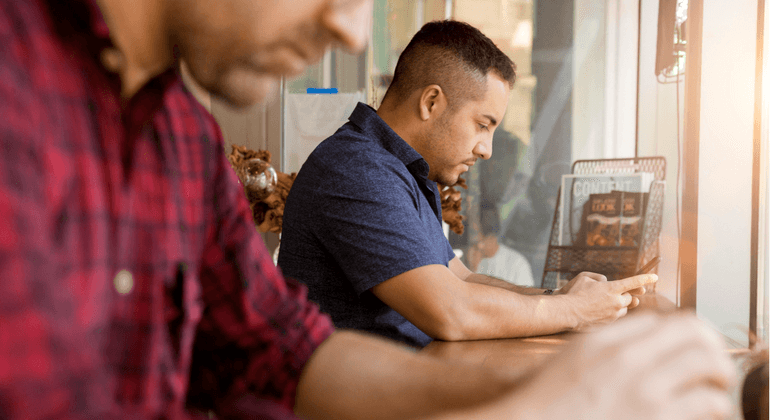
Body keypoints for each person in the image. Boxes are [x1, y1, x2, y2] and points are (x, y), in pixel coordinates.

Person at [0, 1, 737, 419]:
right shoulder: (16, 83)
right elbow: (450, 310)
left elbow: (288, 357)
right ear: (433, 102)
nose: (352, 32)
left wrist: (575, 381)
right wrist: (551, 392)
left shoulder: (180, 137)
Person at [279, 20, 652, 348]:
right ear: (431, 102)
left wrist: (557, 295)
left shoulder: (401, 170)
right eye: (482, 124)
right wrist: (574, 310)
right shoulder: (356, 169)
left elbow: (460, 278)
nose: (486, 150)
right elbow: (450, 311)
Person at [469, 208, 535, 287]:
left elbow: (527, 296)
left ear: (491, 237)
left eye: (478, 238)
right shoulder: (472, 259)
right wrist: (471, 269)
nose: (476, 244)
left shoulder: (517, 264)